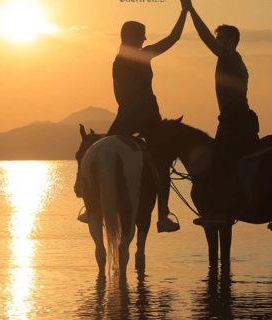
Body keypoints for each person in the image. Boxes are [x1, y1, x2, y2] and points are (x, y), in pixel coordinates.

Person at [89, 2, 188, 233]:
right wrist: (185, 12)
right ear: (137, 38)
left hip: (125, 116)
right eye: (143, 36)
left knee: (98, 152)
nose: (145, 40)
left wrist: (125, 113)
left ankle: (92, 206)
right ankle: (163, 216)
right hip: (150, 116)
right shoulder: (144, 56)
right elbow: (173, 38)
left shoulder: (117, 62)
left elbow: (118, 94)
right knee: (162, 161)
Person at [183, 0, 272, 228]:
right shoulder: (237, 61)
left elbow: (204, 37)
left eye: (220, 38)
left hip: (233, 119)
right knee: (244, 163)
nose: (217, 42)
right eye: (218, 39)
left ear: (230, 40)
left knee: (216, 163)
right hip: (243, 118)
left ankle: (217, 212)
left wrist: (190, 9)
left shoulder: (229, 56)